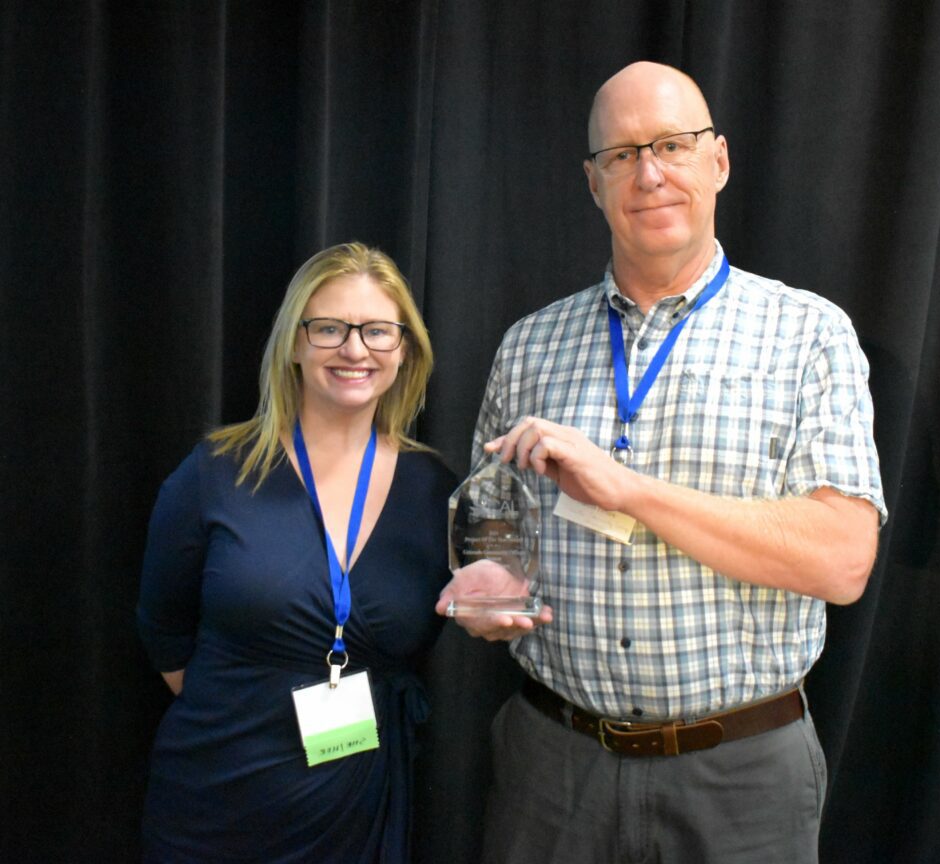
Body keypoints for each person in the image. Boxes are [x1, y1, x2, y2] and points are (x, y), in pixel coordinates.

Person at [436, 62, 887, 864]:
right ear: (593, 181)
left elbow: (843, 561)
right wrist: (488, 592)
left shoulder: (809, 335)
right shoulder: (530, 346)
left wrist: (630, 490)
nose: (649, 173)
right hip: (554, 770)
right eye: (622, 154)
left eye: (672, 145)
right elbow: (494, 528)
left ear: (718, 161)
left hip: (742, 778)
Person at [138, 242, 455, 863]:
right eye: (330, 328)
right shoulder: (216, 472)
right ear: (294, 342)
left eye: (377, 331)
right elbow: (162, 629)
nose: (355, 349)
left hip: (358, 803)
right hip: (217, 798)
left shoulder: (435, 489)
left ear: (406, 350)